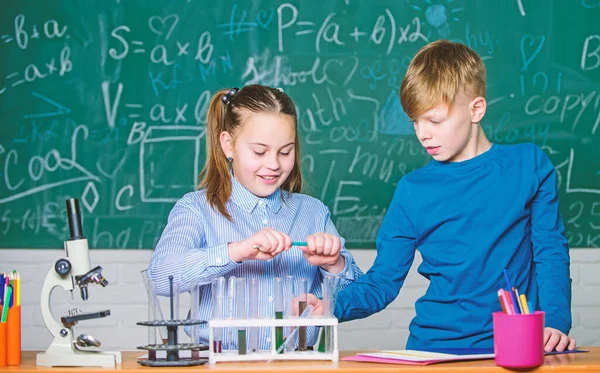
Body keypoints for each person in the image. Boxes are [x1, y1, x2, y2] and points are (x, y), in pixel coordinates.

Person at [311, 40, 575, 352]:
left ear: (475, 109)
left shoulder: (528, 165)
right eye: (415, 121)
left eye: (434, 120)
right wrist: (328, 307)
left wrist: (556, 321)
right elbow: (382, 282)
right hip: (434, 350)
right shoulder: (412, 190)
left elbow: (550, 251)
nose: (422, 133)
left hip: (517, 345)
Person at [148, 84, 363, 350]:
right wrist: (236, 251)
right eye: (259, 152)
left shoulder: (313, 212)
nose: (273, 164)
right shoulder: (196, 209)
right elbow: (160, 278)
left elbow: (357, 296)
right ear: (228, 144)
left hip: (296, 365)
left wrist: (335, 264)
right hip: (218, 365)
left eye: (285, 152)